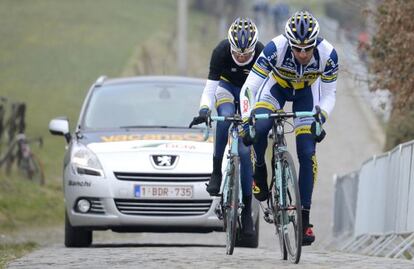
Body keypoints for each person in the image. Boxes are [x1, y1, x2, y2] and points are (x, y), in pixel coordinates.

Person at [239, 11, 339, 245]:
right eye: (297, 48)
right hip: (276, 89)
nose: (303, 54)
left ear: (315, 43)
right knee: (260, 128)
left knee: (307, 153)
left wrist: (320, 118)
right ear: (289, 43)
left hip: (306, 94)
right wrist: (246, 121)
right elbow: (249, 88)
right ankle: (260, 171)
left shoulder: (329, 55)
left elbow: (329, 94)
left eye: (308, 48)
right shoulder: (275, 48)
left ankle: (304, 220)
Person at [189, 18, 264, 236]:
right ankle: (216, 172)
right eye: (237, 53)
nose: (241, 57)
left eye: (246, 53)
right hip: (226, 88)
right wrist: (204, 109)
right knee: (225, 116)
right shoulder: (221, 51)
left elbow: (265, 88)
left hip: (250, 93)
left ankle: (247, 210)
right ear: (230, 46)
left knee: (243, 149)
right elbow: (210, 87)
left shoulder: (260, 52)